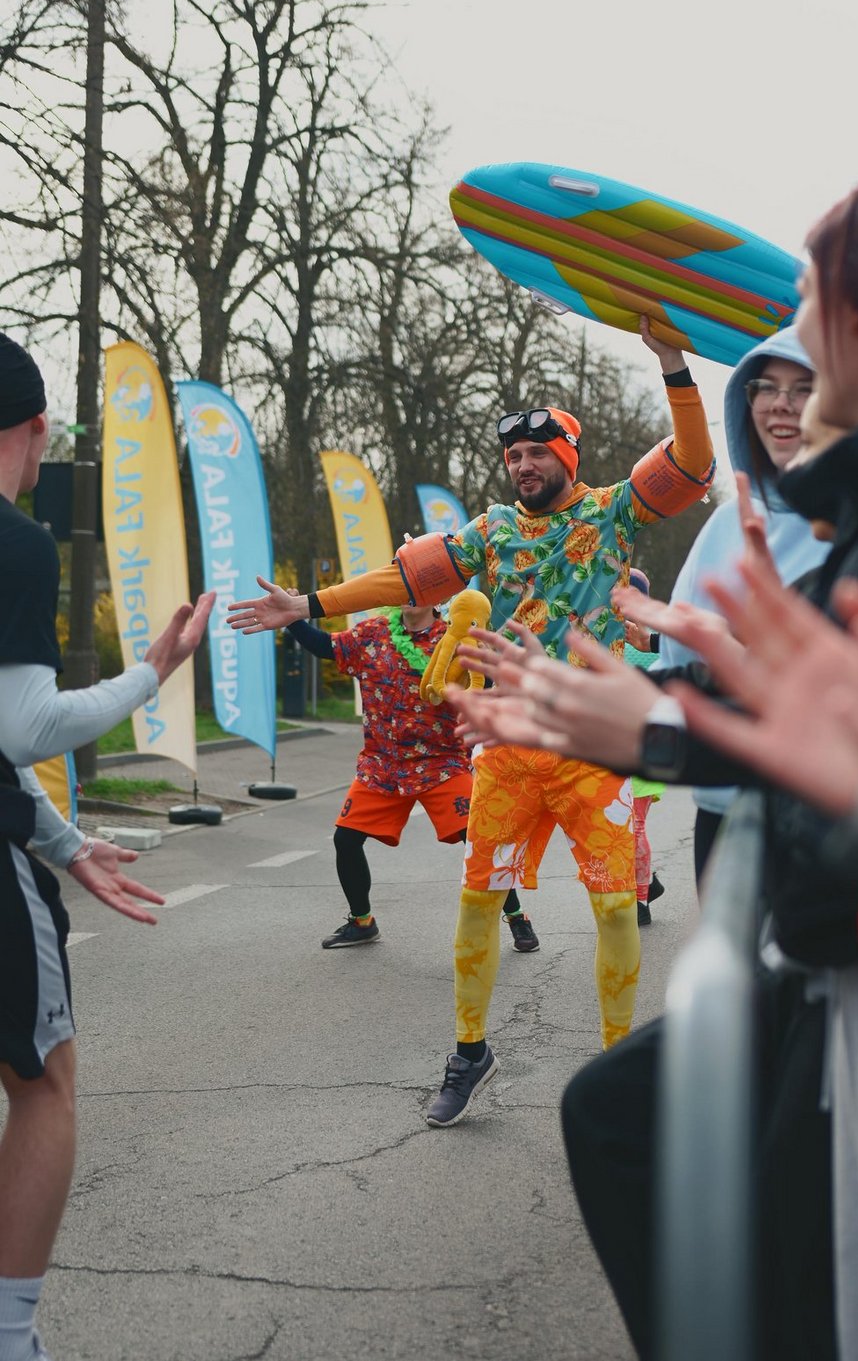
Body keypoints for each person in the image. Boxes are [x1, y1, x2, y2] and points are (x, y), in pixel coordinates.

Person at [449, 163, 858, 1360]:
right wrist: (656, 710)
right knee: (625, 1124)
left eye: (804, 320)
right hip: (839, 948)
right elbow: (818, 703)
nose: (784, 361)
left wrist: (663, 729)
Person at [228, 359, 714, 1125]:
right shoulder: (488, 531)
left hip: (594, 747)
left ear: (567, 456)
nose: (523, 464)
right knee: (478, 902)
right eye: (514, 455)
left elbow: (691, 462)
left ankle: (620, 1066)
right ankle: (469, 1050)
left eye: (538, 452)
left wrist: (674, 368)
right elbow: (404, 580)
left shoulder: (615, 512)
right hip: (507, 749)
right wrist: (309, 604)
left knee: (617, 912)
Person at [0, 332, 214, 1361]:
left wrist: (62, 839)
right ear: (36, 431)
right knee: (42, 1084)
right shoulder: (15, 540)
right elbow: (26, 727)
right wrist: (153, 671)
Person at [620, 320, 831, 887]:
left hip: (823, 810)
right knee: (725, 966)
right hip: (724, 802)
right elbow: (690, 648)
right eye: (766, 387)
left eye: (802, 388)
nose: (781, 405)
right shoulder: (728, 522)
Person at [284, 602, 538, 951]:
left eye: (418, 584)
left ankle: (517, 917)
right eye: (403, 583)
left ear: (435, 595)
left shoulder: (454, 637)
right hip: (382, 765)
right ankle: (362, 921)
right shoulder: (372, 633)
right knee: (345, 839)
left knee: (478, 838)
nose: (409, 593)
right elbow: (327, 647)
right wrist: (292, 620)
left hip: (441, 761)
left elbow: (486, 682)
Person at [622, 567, 667, 926]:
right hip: (607, 751)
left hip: (644, 751)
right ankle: (647, 882)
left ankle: (640, 901)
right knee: (618, 828)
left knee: (634, 826)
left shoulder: (654, 647)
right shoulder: (597, 642)